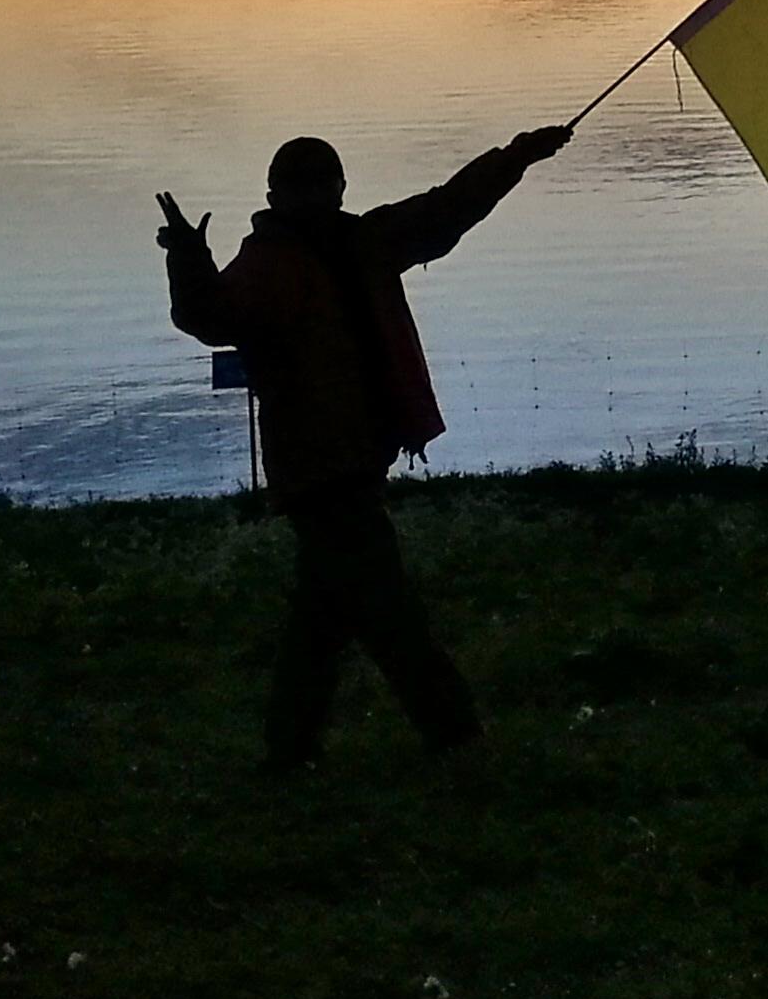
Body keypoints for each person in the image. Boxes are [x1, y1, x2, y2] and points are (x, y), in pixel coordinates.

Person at [160, 120, 570, 769]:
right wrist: (187, 259)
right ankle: (456, 738)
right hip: (320, 470)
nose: (316, 199)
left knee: (323, 617)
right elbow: (211, 317)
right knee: (388, 612)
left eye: (319, 188)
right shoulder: (281, 262)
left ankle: (290, 754)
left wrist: (517, 156)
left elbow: (448, 208)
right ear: (288, 195)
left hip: (345, 461)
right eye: (310, 189)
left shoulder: (359, 243)